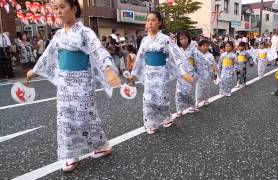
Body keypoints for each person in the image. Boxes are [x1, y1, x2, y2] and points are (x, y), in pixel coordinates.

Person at [26, 0, 121, 172]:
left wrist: (108, 69)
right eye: (56, 8)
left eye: (62, 7)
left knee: (85, 116)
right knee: (65, 119)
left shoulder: (85, 32)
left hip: (82, 81)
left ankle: (102, 145)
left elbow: (98, 50)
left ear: (74, 9)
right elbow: (48, 54)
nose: (58, 11)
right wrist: (34, 70)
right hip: (64, 83)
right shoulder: (58, 35)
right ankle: (71, 154)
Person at [129, 11, 193, 135]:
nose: (150, 23)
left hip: (161, 72)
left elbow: (177, 55)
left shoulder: (165, 39)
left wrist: (183, 72)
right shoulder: (144, 40)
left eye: (153, 20)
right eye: (148, 20)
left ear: (159, 23)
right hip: (149, 72)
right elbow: (140, 57)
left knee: (161, 98)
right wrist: (133, 74)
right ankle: (151, 123)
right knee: (148, 99)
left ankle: (167, 117)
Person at [174, 32, 202, 118]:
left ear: (188, 39)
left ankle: (192, 105)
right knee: (178, 92)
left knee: (188, 91)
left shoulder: (193, 50)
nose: (183, 40)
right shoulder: (177, 50)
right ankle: (179, 109)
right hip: (180, 74)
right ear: (178, 40)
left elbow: (198, 61)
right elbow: (173, 61)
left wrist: (198, 72)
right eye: (181, 39)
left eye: (185, 38)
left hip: (190, 73)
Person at [195, 39, 216, 108]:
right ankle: (197, 101)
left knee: (206, 87)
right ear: (199, 47)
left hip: (207, 73)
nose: (206, 47)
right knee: (199, 87)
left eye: (207, 46)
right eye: (204, 46)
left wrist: (215, 73)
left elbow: (213, 64)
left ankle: (206, 99)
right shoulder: (196, 54)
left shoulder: (210, 55)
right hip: (199, 74)